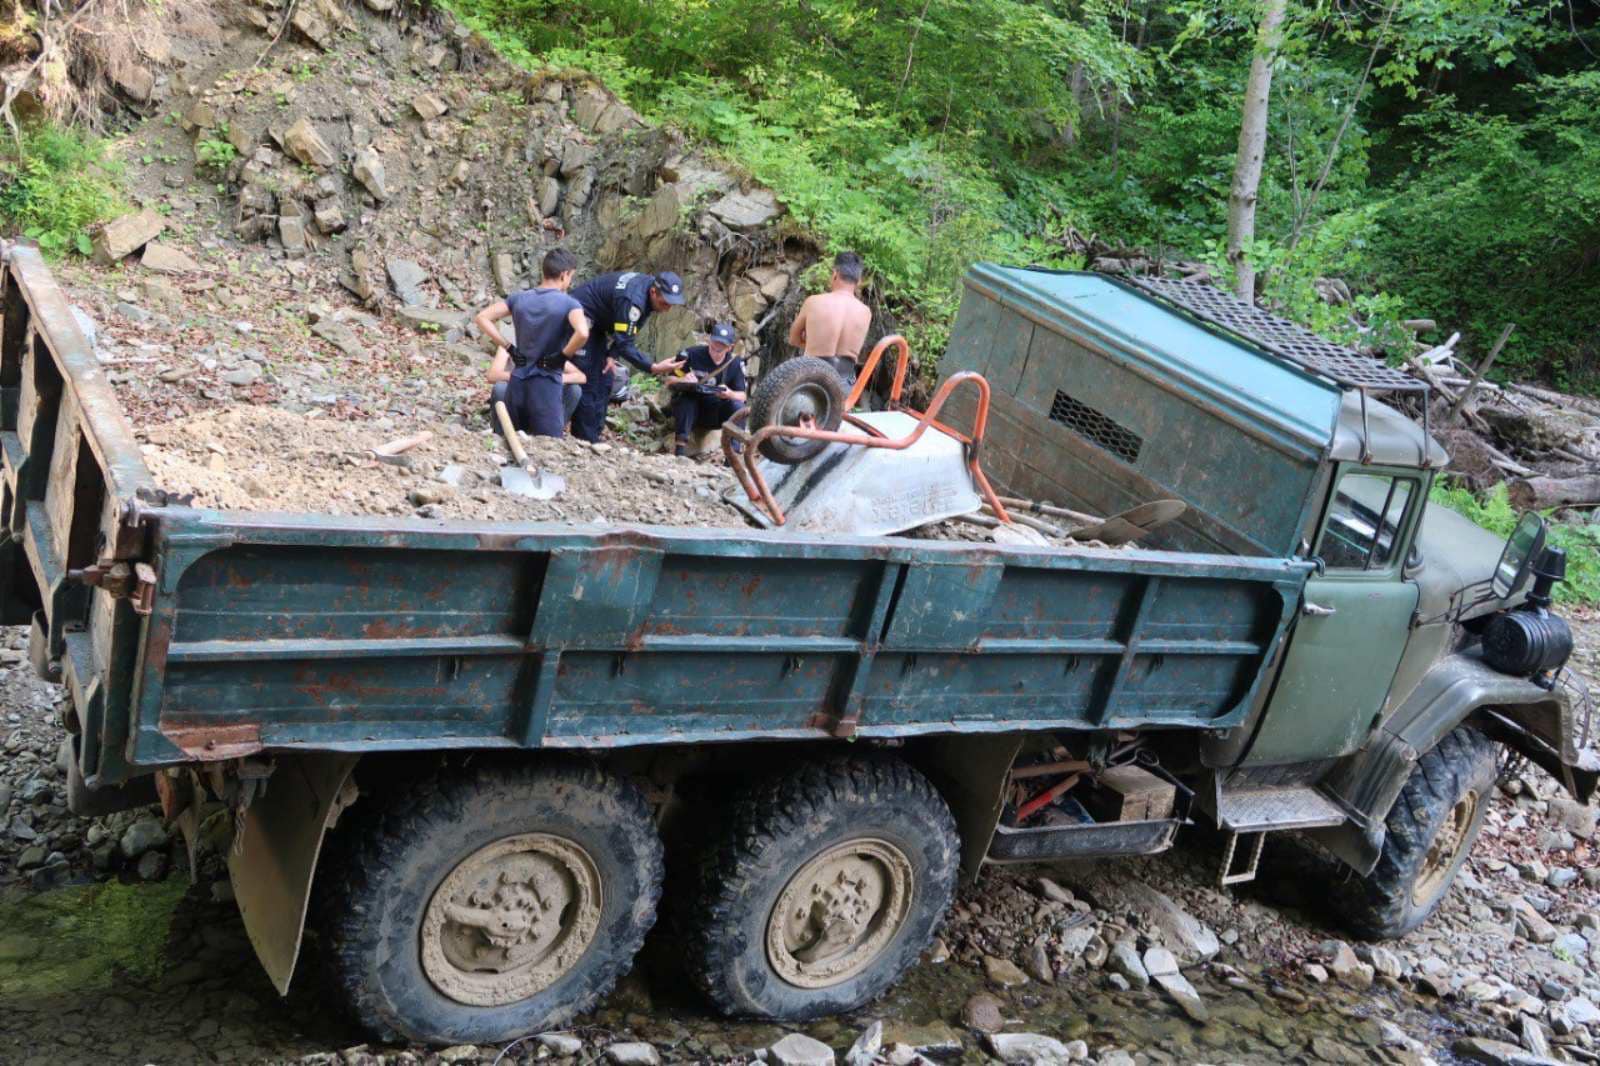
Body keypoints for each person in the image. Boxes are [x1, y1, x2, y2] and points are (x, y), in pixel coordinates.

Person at [475, 249, 590, 437]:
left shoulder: (519, 298)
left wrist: (508, 347)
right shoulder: (569, 304)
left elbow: (482, 317)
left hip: (517, 385)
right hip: (547, 388)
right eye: (571, 276)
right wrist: (562, 357)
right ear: (564, 275)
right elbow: (583, 333)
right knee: (546, 446)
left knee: (510, 443)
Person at [567, 270, 686, 442]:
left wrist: (611, 354)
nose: (668, 309)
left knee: (606, 376)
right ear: (654, 292)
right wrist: (653, 367)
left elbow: (629, 332)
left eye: (672, 304)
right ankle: (584, 439)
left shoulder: (648, 290)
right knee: (589, 380)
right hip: (580, 319)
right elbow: (625, 343)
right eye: (666, 303)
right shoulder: (633, 300)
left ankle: (594, 435)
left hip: (599, 324)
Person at [652, 323, 747, 457]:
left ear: (730, 347)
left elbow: (742, 396)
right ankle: (679, 451)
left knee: (738, 407)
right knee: (686, 399)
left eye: (721, 349)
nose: (716, 351)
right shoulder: (692, 354)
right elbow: (669, 381)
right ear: (709, 340)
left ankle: (732, 456)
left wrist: (729, 393)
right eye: (713, 346)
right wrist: (683, 379)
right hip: (691, 411)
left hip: (716, 413)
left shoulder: (735, 363)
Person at [787, 251, 872, 390]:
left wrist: (814, 343)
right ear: (859, 281)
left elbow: (793, 339)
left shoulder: (813, 302)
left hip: (810, 377)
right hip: (842, 386)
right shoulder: (865, 312)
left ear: (835, 274)